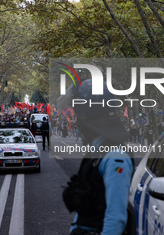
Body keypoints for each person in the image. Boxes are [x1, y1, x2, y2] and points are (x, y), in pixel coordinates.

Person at [59, 79, 134, 235]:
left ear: (89, 116)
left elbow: (115, 218)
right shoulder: (97, 151)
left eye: (78, 112)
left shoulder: (115, 156)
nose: (77, 118)